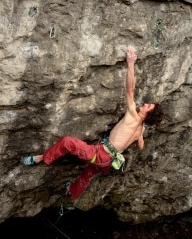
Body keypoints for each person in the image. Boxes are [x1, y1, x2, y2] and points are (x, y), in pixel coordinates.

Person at [21, 46, 163, 201]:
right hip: (108, 163)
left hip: (100, 155)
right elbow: (141, 147)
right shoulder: (139, 129)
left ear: (147, 114)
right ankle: (72, 193)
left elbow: (130, 89)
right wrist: (140, 136)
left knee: (67, 142)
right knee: (88, 174)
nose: (145, 104)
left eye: (148, 107)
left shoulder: (133, 116)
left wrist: (130, 63)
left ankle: (42, 158)